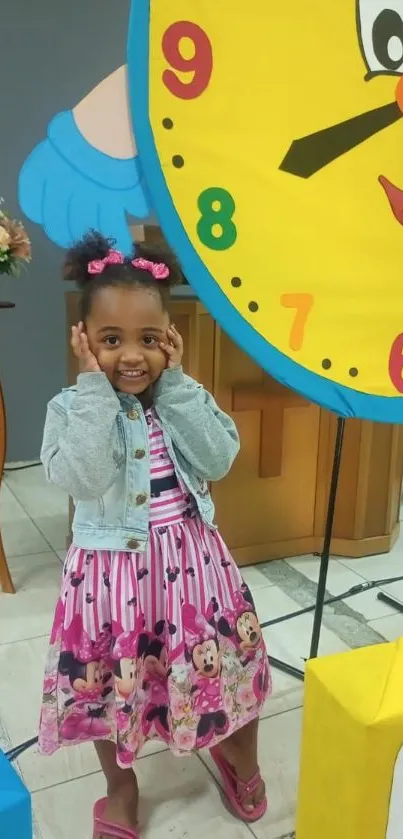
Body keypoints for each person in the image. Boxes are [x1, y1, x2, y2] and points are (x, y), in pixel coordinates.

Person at [40, 231, 271, 839]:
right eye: (111, 341)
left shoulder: (178, 399)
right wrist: (95, 390)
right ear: (83, 340)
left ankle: (239, 757)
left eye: (149, 339)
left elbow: (219, 458)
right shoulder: (71, 407)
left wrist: (177, 385)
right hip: (111, 584)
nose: (132, 356)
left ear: (170, 340)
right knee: (109, 693)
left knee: (223, 669)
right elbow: (80, 475)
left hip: (195, 573)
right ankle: (121, 788)